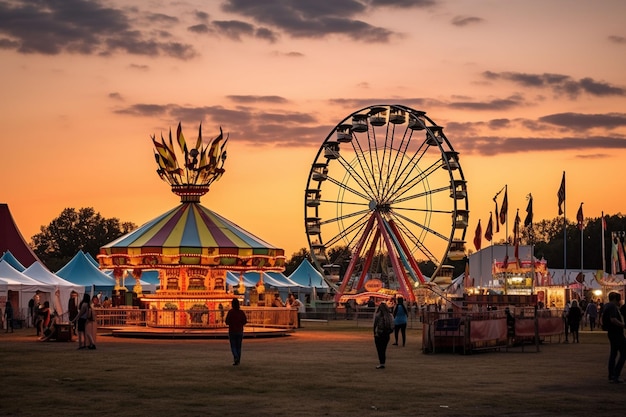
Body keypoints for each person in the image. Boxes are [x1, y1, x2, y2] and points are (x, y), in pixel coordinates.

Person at [603, 292, 626, 383]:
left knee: (613, 354)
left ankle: (612, 375)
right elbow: (613, 319)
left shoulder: (607, 306)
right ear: (615, 299)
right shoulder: (612, 307)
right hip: (616, 333)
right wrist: (623, 325)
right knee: (624, 353)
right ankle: (616, 374)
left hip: (612, 333)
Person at [225, 298, 247, 366]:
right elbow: (245, 321)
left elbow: (227, 321)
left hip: (232, 331)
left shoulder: (231, 312)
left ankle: (236, 357)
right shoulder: (241, 312)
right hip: (239, 331)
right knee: (239, 346)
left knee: (233, 346)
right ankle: (238, 360)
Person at [373, 302, 394, 369]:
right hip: (386, 334)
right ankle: (383, 362)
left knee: (380, 349)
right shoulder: (390, 315)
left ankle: (381, 362)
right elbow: (393, 325)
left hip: (379, 333)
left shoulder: (378, 315)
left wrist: (374, 333)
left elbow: (375, 325)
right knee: (383, 349)